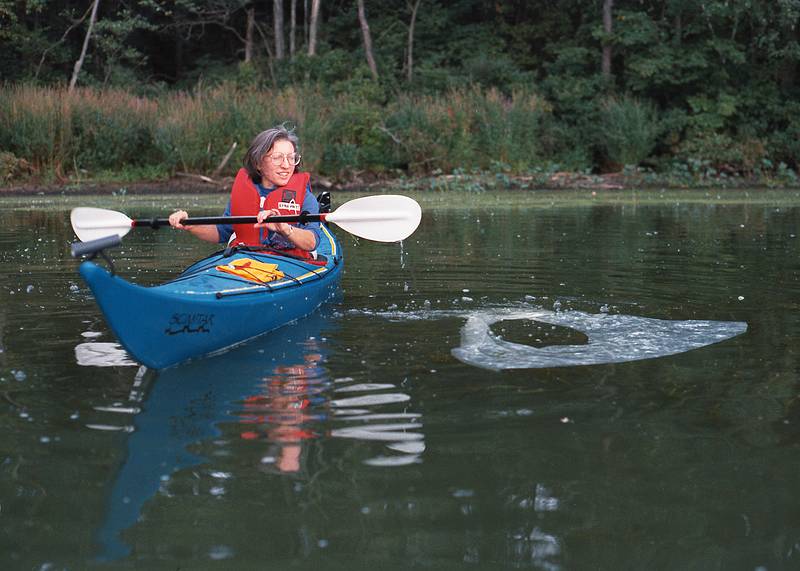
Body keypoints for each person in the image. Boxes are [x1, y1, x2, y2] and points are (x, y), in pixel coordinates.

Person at [169, 125, 323, 258]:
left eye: (291, 158)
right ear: (258, 163)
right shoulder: (244, 190)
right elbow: (222, 232)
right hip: (248, 260)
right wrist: (189, 224)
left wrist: (285, 228)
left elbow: (312, 242)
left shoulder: (305, 197)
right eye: (277, 158)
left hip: (290, 262)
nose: (286, 165)